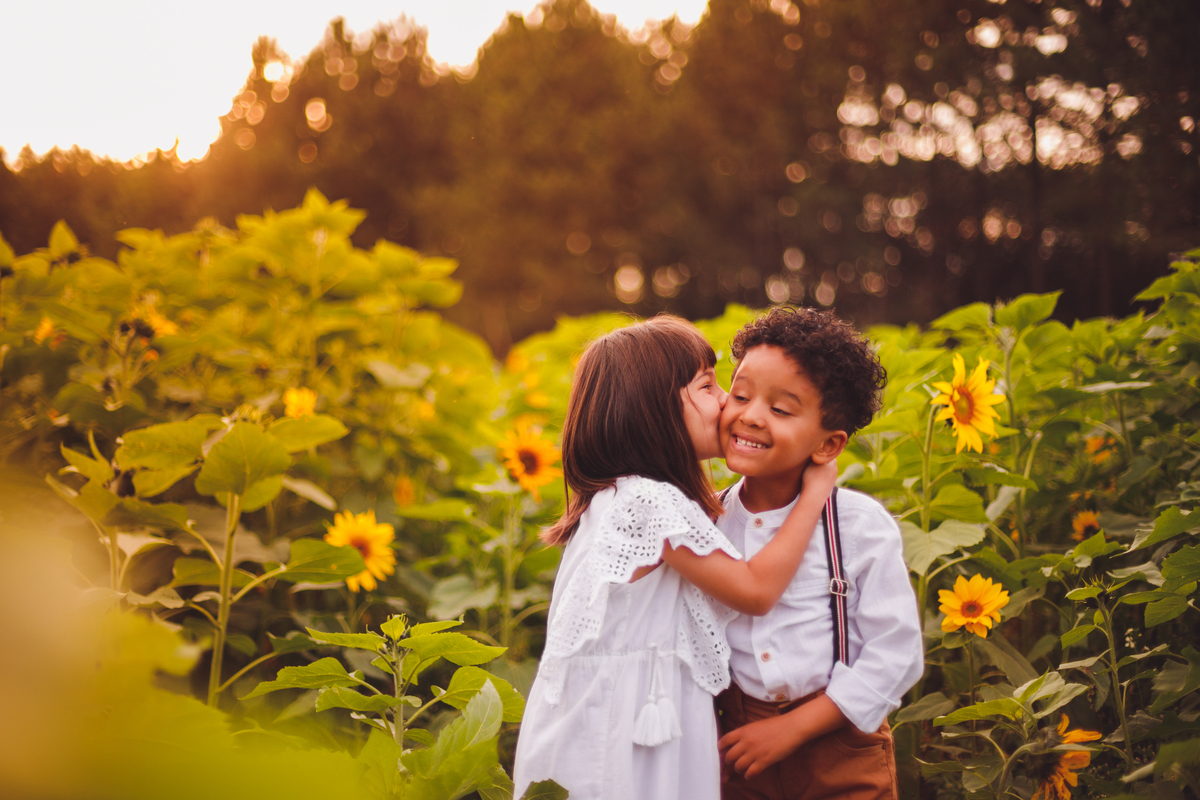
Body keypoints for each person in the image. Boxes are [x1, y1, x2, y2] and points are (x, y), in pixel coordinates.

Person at [512, 316, 837, 800]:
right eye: (707, 386)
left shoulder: (619, 498)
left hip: (621, 722)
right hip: (621, 738)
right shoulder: (649, 502)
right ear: (653, 412)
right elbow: (754, 591)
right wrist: (815, 493)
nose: (727, 400)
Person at [714, 306, 924, 800]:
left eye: (781, 409)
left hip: (841, 741)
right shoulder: (709, 520)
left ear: (828, 445)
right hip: (740, 744)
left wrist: (794, 728)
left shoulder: (856, 525)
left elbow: (897, 653)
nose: (749, 414)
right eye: (739, 394)